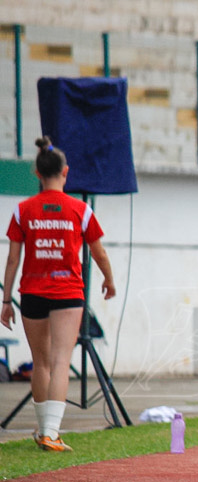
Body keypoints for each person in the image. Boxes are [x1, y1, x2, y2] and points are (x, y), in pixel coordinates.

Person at [1, 136, 116, 452]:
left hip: (33, 292)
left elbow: (13, 258)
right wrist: (109, 281)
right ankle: (50, 431)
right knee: (61, 360)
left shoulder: (23, 210)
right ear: (66, 172)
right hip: (67, 292)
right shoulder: (81, 209)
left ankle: (43, 431)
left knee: (41, 362)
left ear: (37, 173)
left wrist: (6, 300)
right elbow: (99, 253)